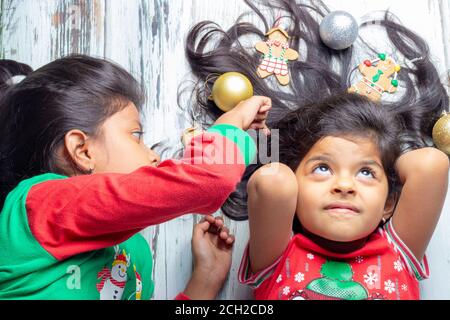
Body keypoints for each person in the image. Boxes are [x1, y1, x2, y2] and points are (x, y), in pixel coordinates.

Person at [183, 0, 449, 299]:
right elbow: (272, 180)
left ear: (389, 204)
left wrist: (383, 153)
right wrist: (268, 135)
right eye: (322, 168)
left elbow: (431, 163)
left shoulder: (398, 250)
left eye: (365, 172)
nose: (345, 186)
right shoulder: (279, 256)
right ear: (294, 190)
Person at [0, 55, 271, 300]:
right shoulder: (42, 204)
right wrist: (230, 125)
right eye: (136, 136)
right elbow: (211, 179)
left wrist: (206, 280)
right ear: (83, 151)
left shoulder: (134, 252)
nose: (153, 155)